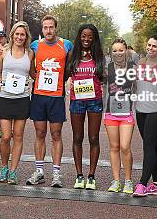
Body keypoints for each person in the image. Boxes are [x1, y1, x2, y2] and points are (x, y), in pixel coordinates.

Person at [26, 15, 73, 188]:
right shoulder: (35, 45)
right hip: (39, 95)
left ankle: (56, 174)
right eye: (45, 27)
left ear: (56, 28)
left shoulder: (66, 44)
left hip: (56, 97)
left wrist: (62, 80)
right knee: (39, 134)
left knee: (56, 134)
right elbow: (30, 66)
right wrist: (35, 76)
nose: (48, 30)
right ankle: (39, 172)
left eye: (51, 27)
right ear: (42, 29)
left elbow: (69, 67)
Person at [0, 21, 35, 185]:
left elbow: (33, 73)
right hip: (5, 98)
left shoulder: (30, 53)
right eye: (17, 34)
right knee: (6, 136)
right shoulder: (4, 52)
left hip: (22, 98)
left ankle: (13, 171)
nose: (19, 37)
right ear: (12, 35)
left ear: (26, 37)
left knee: (18, 136)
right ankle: (4, 167)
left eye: (23, 34)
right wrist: (1, 83)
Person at [67, 24, 104, 190]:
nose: (86, 39)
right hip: (77, 100)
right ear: (79, 37)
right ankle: (79, 175)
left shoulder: (99, 57)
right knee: (77, 137)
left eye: (90, 36)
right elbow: (64, 74)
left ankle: (91, 176)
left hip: (95, 100)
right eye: (83, 36)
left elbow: (104, 76)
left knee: (94, 138)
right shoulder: (72, 55)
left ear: (94, 38)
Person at [133, 35, 157, 197]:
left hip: (156, 111)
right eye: (149, 45)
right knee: (152, 146)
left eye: (154, 46)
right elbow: (134, 86)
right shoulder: (139, 64)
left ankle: (142, 184)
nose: (150, 48)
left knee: (148, 145)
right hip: (140, 110)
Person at [103, 38, 135, 194]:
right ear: (111, 52)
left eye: (121, 50)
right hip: (111, 112)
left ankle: (128, 181)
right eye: (114, 50)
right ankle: (116, 180)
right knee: (114, 147)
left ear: (126, 51)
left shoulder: (133, 68)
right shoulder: (107, 69)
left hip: (127, 113)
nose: (117, 53)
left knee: (125, 146)